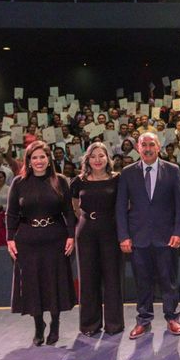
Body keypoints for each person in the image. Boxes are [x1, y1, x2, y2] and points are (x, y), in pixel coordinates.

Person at [116, 132, 180, 339]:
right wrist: (123, 236)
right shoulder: (127, 173)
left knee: (169, 281)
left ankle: (172, 317)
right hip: (138, 238)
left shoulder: (173, 170)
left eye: (151, 144)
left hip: (166, 238)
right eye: (143, 145)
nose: (147, 148)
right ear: (138, 148)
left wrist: (178, 232)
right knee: (142, 281)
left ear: (158, 147)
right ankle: (143, 320)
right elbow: (120, 207)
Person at [5, 141, 76, 346]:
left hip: (56, 238)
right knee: (33, 283)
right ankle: (39, 326)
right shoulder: (18, 183)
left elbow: (68, 212)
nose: (38, 161)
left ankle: (54, 324)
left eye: (42, 157)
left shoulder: (60, 181)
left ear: (49, 159)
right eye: (34, 157)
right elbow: (11, 214)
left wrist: (71, 235)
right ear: (28, 160)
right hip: (27, 241)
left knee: (54, 282)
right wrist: (10, 238)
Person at [70, 142, 124, 336]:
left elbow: (126, 204)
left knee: (112, 277)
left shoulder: (117, 179)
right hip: (86, 232)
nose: (97, 160)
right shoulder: (79, 181)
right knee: (88, 278)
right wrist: (84, 218)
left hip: (111, 230)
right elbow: (74, 204)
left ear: (107, 158)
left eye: (101, 156)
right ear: (87, 159)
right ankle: (89, 325)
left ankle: (114, 324)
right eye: (93, 156)